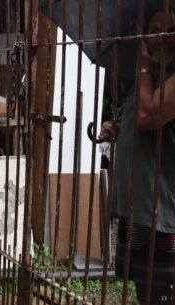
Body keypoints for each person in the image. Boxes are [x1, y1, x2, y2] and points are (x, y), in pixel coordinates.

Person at [111, 7, 175, 305]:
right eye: (155, 30)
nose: (162, 38)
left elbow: (148, 115)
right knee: (144, 288)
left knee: (160, 292)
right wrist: (118, 128)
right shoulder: (150, 75)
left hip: (163, 210)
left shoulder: (153, 72)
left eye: (170, 31)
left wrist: (143, 66)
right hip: (139, 206)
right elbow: (138, 118)